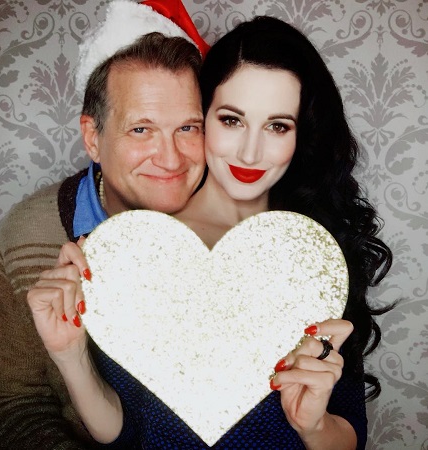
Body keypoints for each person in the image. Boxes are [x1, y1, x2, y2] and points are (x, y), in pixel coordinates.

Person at [27, 12, 392, 450]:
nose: (251, 151)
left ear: (301, 135)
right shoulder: (139, 248)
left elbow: (349, 434)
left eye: (278, 126)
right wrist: (70, 356)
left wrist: (312, 425)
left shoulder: (316, 254)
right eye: (232, 120)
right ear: (203, 116)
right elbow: (125, 433)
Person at [0, 1, 210, 448]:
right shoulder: (30, 236)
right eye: (141, 129)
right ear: (92, 137)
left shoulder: (240, 233)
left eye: (188, 127)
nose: (171, 158)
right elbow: (9, 401)